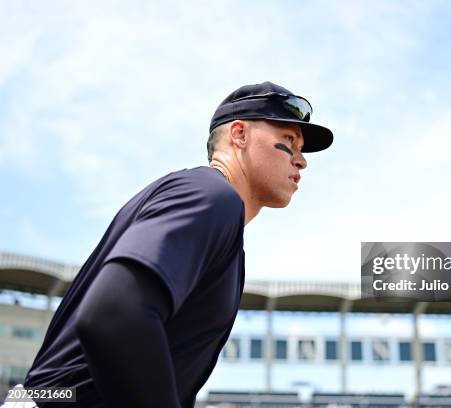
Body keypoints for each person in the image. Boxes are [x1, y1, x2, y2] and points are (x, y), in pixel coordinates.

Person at [2, 81, 333, 408]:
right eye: (288, 141)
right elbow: (114, 311)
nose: (301, 160)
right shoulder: (210, 196)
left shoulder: (212, 209)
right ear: (239, 135)